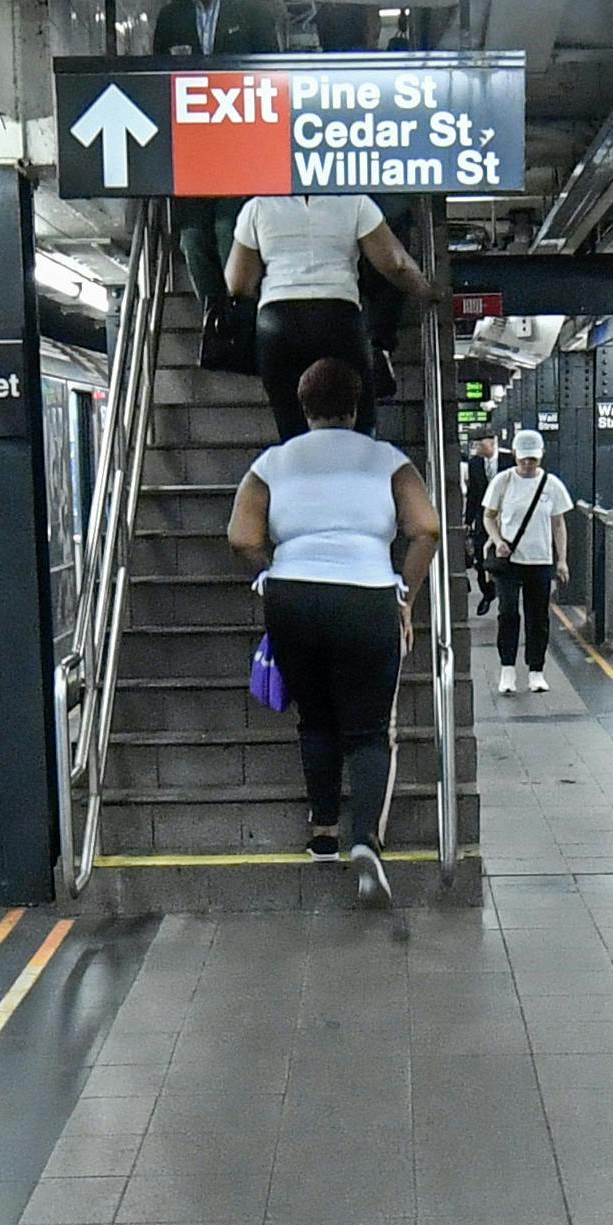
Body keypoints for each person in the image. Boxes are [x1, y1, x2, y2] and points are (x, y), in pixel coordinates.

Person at [230, 354, 439, 905]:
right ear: (356, 406)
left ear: (301, 406)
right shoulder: (388, 460)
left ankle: (323, 832)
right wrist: (405, 595)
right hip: (368, 597)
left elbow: (241, 536)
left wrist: (266, 579)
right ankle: (365, 837)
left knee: (316, 719)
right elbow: (427, 528)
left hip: (293, 598)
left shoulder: (273, 462)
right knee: (369, 730)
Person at [228, 192, 419, 417]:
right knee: (359, 420)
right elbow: (396, 265)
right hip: (339, 315)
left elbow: (238, 284)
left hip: (277, 320)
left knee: (291, 422)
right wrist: (429, 292)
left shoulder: (257, 206)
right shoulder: (355, 201)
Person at [481, 424, 572, 696]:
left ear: (540, 457)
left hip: (540, 561)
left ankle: (536, 671)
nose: (528, 464)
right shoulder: (504, 481)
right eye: (524, 459)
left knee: (538, 617)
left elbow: (558, 524)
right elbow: (488, 516)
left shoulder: (551, 485)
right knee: (508, 612)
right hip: (509, 562)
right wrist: (498, 541)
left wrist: (562, 560)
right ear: (516, 457)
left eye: (533, 459)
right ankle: (507, 669)